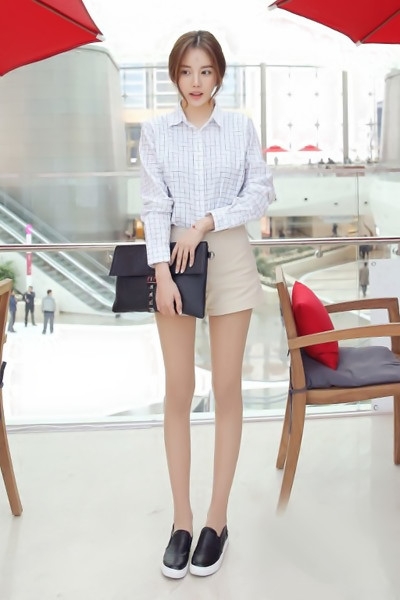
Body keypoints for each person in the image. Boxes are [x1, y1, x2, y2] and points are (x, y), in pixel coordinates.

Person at [139, 30, 275, 579]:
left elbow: (260, 192)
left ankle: (217, 520)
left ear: (219, 74)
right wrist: (161, 271)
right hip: (174, 263)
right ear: (174, 75)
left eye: (205, 71)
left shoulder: (240, 127)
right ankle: (181, 521)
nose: (196, 82)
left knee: (226, 387)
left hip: (230, 254)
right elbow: (153, 204)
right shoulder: (156, 131)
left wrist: (206, 222)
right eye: (186, 71)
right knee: (178, 389)